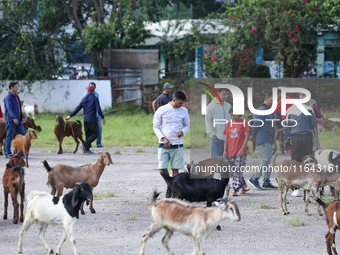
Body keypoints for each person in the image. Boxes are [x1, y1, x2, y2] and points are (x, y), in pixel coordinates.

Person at [153, 91, 190, 198]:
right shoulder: (161, 110)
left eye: (183, 103)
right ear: (174, 100)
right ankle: (169, 186)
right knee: (162, 168)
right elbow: (156, 127)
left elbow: (187, 125)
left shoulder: (184, 111)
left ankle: (174, 189)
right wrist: (163, 138)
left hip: (177, 144)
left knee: (176, 169)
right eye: (180, 103)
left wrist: (183, 131)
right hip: (163, 144)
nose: (181, 105)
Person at [286, 89, 317, 197]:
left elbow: (287, 124)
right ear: (299, 96)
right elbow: (312, 123)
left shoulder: (293, 109)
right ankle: (297, 188)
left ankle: (307, 188)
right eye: (302, 95)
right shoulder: (305, 109)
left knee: (305, 162)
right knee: (299, 163)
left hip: (302, 137)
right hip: (300, 137)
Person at [248, 91, 277, 190]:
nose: (273, 103)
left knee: (268, 160)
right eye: (272, 100)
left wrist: (273, 140)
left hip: (268, 139)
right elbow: (257, 123)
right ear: (266, 99)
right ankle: (254, 178)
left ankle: (266, 181)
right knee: (266, 160)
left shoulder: (268, 110)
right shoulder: (261, 109)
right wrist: (253, 135)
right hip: (263, 138)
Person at [65, 85, 106, 154]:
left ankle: (86, 150)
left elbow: (78, 108)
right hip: (92, 119)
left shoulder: (84, 99)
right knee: (95, 133)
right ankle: (84, 145)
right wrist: (102, 117)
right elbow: (98, 109)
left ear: (88, 91)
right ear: (93, 91)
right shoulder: (95, 98)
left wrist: (70, 115)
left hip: (85, 119)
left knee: (88, 134)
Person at [223, 107, 250, 196]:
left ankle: (234, 189)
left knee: (238, 170)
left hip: (240, 151)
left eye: (234, 115)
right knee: (233, 171)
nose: (232, 117)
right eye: (231, 115)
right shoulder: (229, 124)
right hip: (231, 151)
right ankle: (244, 186)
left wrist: (242, 149)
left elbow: (247, 136)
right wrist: (225, 150)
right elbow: (226, 137)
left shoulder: (244, 123)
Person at [205, 88, 231, 157]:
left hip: (229, 139)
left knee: (228, 163)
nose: (226, 96)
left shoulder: (229, 106)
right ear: (217, 94)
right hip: (217, 139)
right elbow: (208, 122)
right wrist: (213, 135)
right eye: (224, 94)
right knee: (216, 163)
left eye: (227, 94)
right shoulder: (210, 107)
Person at [4, 82, 26, 158]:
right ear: (11, 88)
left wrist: (21, 117)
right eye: (16, 87)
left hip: (18, 121)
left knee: (23, 135)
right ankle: (7, 153)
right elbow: (9, 109)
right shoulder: (8, 97)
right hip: (11, 121)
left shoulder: (17, 96)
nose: (17, 88)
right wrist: (14, 118)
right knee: (9, 136)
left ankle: (21, 152)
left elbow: (19, 108)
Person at [83, 82, 105, 149]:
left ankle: (98, 144)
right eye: (90, 86)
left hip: (96, 116)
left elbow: (97, 106)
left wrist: (101, 116)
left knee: (99, 129)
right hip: (90, 116)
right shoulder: (85, 94)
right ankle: (88, 145)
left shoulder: (96, 95)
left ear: (94, 88)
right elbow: (84, 104)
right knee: (90, 132)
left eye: (92, 86)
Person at [273, 88, 293, 153]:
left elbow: (274, 110)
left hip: (286, 119)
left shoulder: (282, 100)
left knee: (286, 134)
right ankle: (291, 148)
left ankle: (287, 148)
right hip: (292, 118)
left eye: (277, 94)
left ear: (280, 93)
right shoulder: (289, 98)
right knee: (291, 133)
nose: (277, 96)